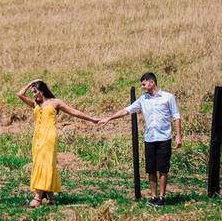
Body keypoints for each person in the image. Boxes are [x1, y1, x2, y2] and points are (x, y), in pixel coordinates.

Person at [99, 72, 182, 207]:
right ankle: (154, 197)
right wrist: (109, 118)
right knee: (150, 169)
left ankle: (162, 197)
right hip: (149, 138)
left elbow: (176, 116)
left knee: (163, 168)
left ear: (152, 82)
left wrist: (178, 135)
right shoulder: (143, 100)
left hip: (164, 138)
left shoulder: (168, 97)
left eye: (144, 84)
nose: (143, 87)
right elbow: (126, 110)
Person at [16, 78, 100, 207]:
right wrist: (31, 82)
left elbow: (73, 111)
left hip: (49, 136)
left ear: (42, 91)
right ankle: (50, 197)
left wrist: (92, 119)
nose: (34, 94)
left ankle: (37, 198)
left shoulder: (55, 102)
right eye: (33, 92)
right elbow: (20, 94)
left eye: (35, 91)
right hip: (37, 137)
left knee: (45, 163)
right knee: (41, 163)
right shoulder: (35, 104)